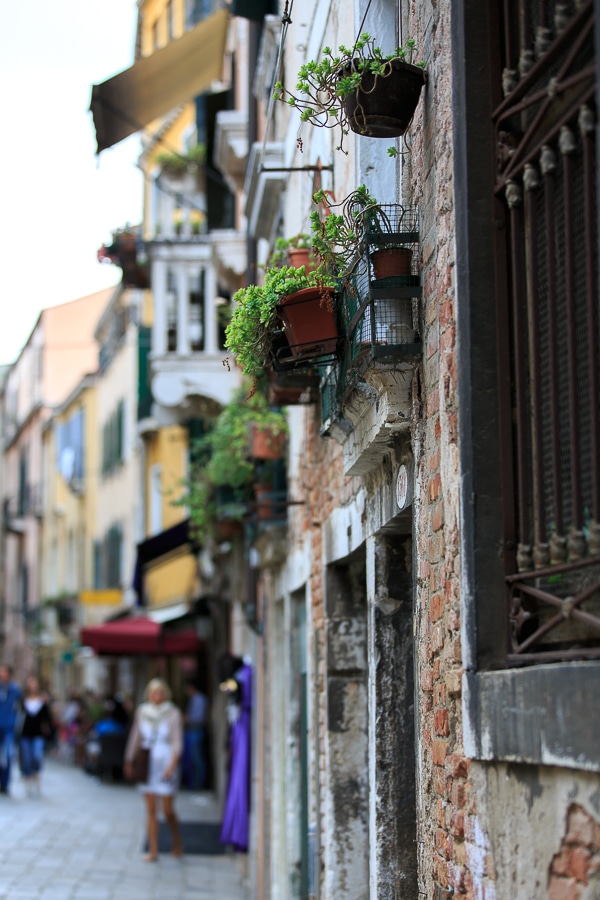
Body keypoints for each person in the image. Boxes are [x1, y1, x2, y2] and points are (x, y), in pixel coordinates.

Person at [124, 678, 183, 862]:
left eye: (160, 692)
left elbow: (177, 741)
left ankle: (177, 839)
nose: (157, 696)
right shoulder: (143, 712)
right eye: (153, 693)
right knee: (150, 810)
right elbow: (136, 736)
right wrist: (129, 759)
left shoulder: (172, 713)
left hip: (165, 761)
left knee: (167, 809)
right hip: (147, 763)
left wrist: (172, 765)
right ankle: (153, 850)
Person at [19, 675, 53, 796]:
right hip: (25, 734)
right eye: (30, 684)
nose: (32, 687)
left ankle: (37, 775)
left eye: (34, 684)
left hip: (38, 734)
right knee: (27, 758)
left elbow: (48, 718)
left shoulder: (42, 700)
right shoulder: (23, 700)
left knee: (37, 756)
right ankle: (28, 779)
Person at [0, 665, 21, 795]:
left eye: (3, 671)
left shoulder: (15, 690)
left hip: (9, 728)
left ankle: (5, 783)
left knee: (7, 755)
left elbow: (22, 707)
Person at [183, 680, 208, 790]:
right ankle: (194, 783)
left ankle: (199, 784)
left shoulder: (199, 699)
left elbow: (198, 718)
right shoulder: (194, 699)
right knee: (192, 759)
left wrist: (187, 719)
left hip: (196, 731)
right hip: (192, 731)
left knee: (197, 759)